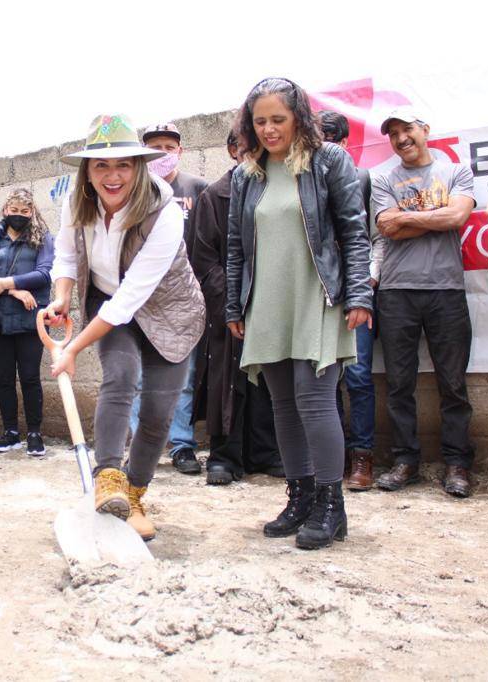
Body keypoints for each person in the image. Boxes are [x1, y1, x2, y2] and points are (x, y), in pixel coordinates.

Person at [226, 78, 372, 550]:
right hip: (266, 299)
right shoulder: (246, 174)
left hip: (318, 295)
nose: (269, 130)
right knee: (283, 405)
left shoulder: (329, 161)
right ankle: (301, 495)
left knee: (314, 399)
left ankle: (332, 504)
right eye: (260, 121)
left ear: (299, 118)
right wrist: (235, 303)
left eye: (278, 119)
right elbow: (236, 248)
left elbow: (353, 231)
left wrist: (359, 296)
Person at [46, 114, 205, 541]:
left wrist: (73, 347)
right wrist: (62, 296)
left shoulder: (164, 213)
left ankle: (134, 495)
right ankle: (108, 478)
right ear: (87, 171)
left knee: (157, 414)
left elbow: (130, 298)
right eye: (101, 166)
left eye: (123, 165)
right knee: (119, 378)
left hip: (170, 315)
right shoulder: (76, 202)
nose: (112, 176)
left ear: (138, 167)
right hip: (108, 302)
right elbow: (65, 255)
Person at [371, 108, 477, 498]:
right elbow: (385, 226)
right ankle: (405, 461)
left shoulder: (456, 172)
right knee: (399, 384)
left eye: (407, 129)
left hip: (446, 289)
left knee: (453, 383)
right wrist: (438, 214)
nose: (401, 138)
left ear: (425, 130)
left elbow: (459, 217)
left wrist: (409, 218)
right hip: (396, 291)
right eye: (393, 133)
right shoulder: (383, 178)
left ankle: (457, 463)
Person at [190, 130, 281, 485]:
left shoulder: (277, 189)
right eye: (245, 145)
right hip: (229, 308)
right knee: (228, 383)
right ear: (232, 150)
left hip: (273, 303)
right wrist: (233, 302)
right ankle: (224, 456)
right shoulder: (214, 195)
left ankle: (265, 452)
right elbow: (204, 258)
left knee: (269, 382)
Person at [128, 123, 210, 474]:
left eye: (168, 146)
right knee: (137, 377)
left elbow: (209, 242)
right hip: (142, 298)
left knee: (183, 375)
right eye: (154, 147)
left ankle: (181, 444)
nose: (162, 153)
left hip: (182, 300)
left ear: (180, 150)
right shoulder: (133, 191)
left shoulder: (197, 189)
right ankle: (138, 443)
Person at [318, 110, 380, 491]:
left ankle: (362, 457)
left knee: (358, 377)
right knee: (324, 377)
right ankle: (332, 456)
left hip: (355, 291)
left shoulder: (361, 179)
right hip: (321, 293)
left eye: (326, 139)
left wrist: (365, 285)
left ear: (342, 144)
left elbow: (371, 237)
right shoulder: (300, 181)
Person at [0, 188, 54, 457]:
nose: (19, 215)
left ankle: (34, 433)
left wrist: (6, 283)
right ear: (5, 210)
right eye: (14, 210)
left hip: (32, 321)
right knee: (4, 380)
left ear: (32, 213)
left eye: (25, 211)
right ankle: (10, 433)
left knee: (31, 378)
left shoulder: (42, 239)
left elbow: (44, 274)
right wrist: (14, 290)